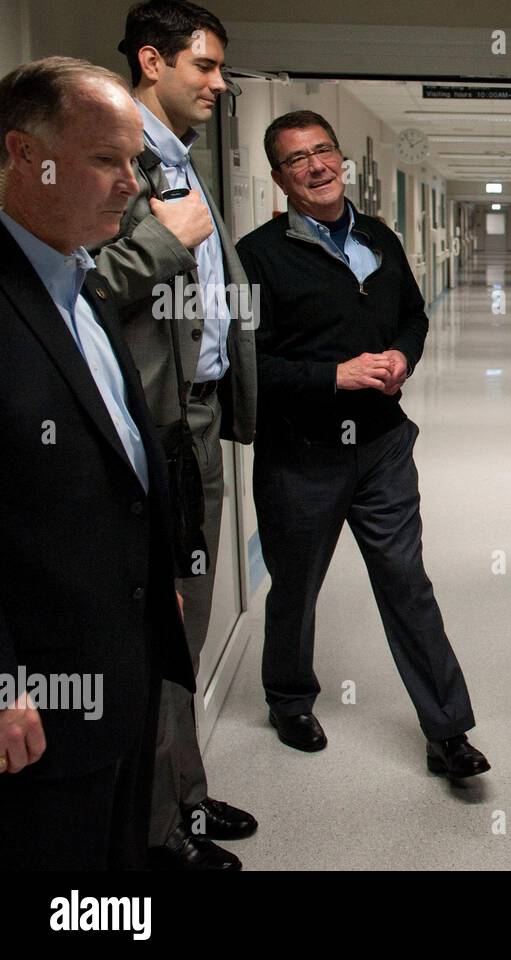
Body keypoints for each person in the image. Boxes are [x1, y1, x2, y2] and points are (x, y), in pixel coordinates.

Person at [236, 110, 490, 780]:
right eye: (298, 159)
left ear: (341, 158)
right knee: (296, 584)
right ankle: (289, 698)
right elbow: (247, 364)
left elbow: (412, 312)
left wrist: (403, 356)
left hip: (381, 446)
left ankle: (448, 731)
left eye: (325, 151)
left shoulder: (379, 236)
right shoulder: (257, 256)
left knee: (408, 583)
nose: (317, 167)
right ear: (279, 177)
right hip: (302, 454)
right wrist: (335, 375)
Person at [0, 56, 194, 869]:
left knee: (114, 858)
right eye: (106, 161)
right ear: (22, 154)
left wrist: (162, 581)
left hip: (122, 658)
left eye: (135, 163)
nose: (133, 186)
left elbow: (117, 463)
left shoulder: (79, 278)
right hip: (38, 695)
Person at [93, 0, 257, 872]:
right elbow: (74, 293)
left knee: (184, 630)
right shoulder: (112, 161)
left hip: (196, 420)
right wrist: (161, 241)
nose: (219, 84)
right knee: (164, 628)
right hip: (150, 428)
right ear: (152, 61)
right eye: (206, 67)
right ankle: (159, 835)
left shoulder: (180, 162)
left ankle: (183, 797)